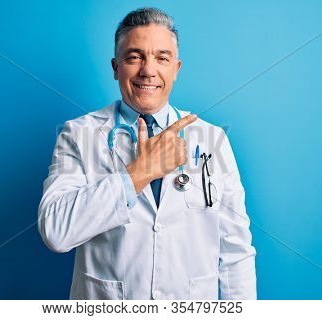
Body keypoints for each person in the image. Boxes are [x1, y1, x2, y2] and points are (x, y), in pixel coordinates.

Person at [38, 7, 256, 300]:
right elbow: (55, 230)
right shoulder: (79, 135)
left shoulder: (211, 139)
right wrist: (140, 172)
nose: (148, 70)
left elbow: (235, 251)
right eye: (134, 57)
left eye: (161, 58)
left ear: (176, 69)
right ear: (116, 67)